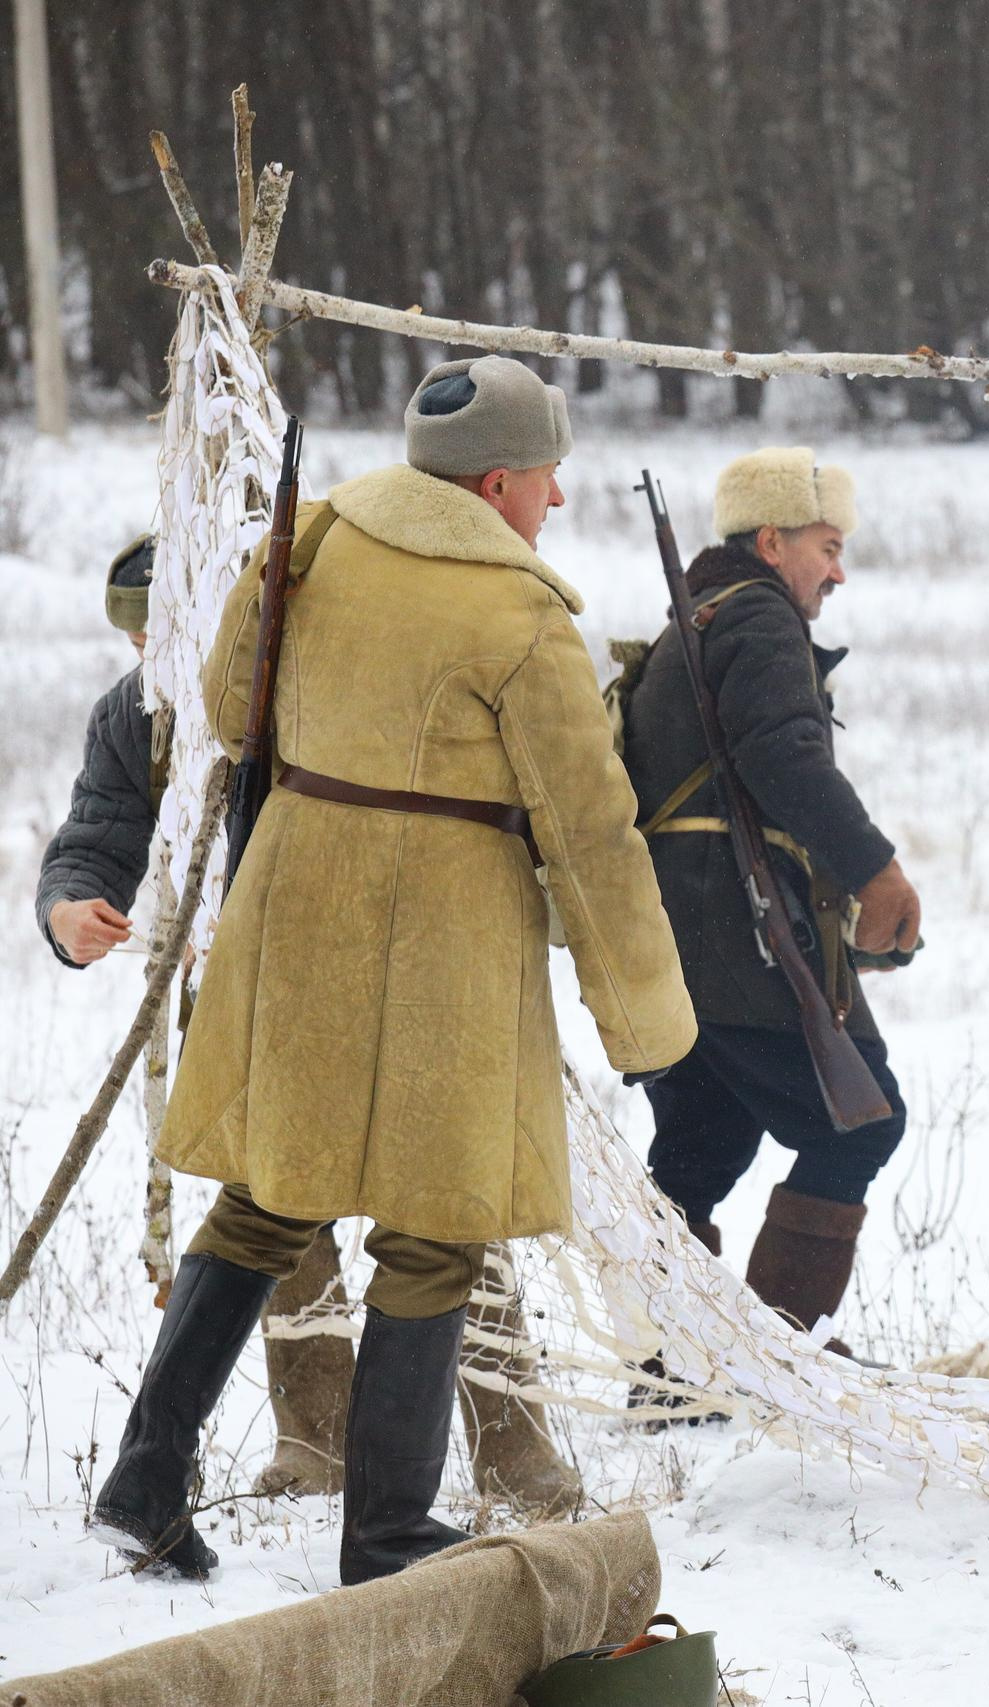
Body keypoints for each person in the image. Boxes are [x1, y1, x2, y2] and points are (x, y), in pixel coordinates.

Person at [88, 356, 695, 1586]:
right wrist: (645, 1018)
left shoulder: (306, 546)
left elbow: (223, 697)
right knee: (433, 1232)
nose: (557, 506)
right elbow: (590, 834)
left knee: (264, 1198)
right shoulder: (519, 617)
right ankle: (387, 1537)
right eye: (549, 481)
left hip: (297, 908)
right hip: (445, 951)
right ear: (497, 480)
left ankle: (145, 1481)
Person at [622, 447, 920, 1351]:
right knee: (863, 1124)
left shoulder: (701, 617)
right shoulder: (756, 614)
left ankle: (677, 1372)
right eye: (826, 546)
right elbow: (783, 756)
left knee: (699, 1152)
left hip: (681, 943)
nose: (838, 570)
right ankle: (781, 1361)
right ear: (770, 541)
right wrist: (876, 870)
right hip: (737, 940)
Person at [36, 537, 157, 969]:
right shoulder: (128, 716)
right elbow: (98, 845)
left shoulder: (286, 687)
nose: (156, 663)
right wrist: (66, 912)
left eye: (169, 641)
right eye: (142, 647)